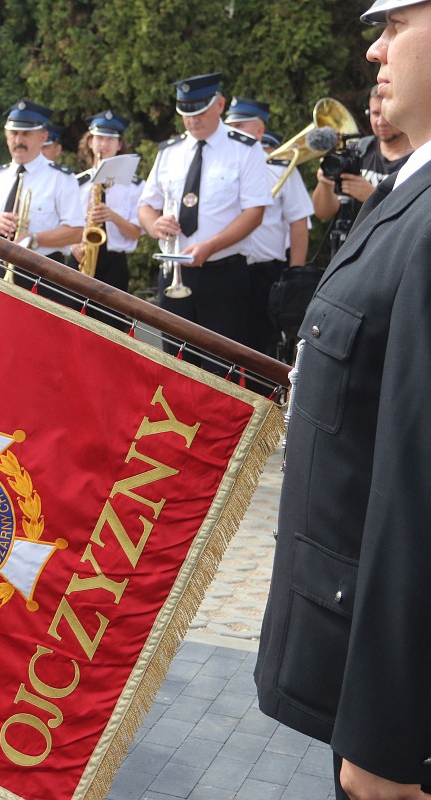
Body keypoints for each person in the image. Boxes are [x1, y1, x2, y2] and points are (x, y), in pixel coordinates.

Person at [255, 2, 431, 799]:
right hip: (359, 648)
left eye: (397, 25)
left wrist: (390, 729)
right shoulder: (410, 194)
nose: (373, 51)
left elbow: (419, 483)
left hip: (398, 716)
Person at [138, 73, 273, 348]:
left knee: (222, 362)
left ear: (220, 105)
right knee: (174, 358)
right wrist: (154, 225)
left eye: (199, 112)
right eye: (186, 114)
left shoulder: (245, 149)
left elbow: (254, 213)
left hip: (223, 273)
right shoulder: (170, 151)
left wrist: (210, 247)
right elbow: (146, 205)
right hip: (174, 269)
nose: (193, 120)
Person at [224, 97, 314, 358]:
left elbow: (298, 221)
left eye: (241, 126)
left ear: (259, 130)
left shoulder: (280, 168)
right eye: (230, 126)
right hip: (225, 267)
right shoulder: (220, 166)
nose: (233, 132)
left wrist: (295, 275)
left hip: (265, 272)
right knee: (222, 344)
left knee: (262, 349)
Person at [0, 100, 85, 269]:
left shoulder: (61, 178)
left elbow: (75, 232)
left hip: (42, 271)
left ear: (43, 137)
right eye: (14, 133)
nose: (18, 140)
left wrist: (35, 238)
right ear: (6, 136)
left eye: (26, 134)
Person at [311, 85, 413, 227]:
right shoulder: (356, 151)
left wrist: (373, 196)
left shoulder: (418, 161)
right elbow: (323, 212)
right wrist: (325, 183)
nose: (380, 122)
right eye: (375, 113)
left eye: (386, 113)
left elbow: (415, 221)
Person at [68, 111, 144, 293]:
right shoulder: (75, 183)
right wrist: (72, 245)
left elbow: (135, 233)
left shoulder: (135, 186)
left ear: (119, 145)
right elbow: (63, 223)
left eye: (110, 139)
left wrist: (113, 216)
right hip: (79, 256)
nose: (104, 144)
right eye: (99, 138)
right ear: (90, 142)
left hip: (114, 263)